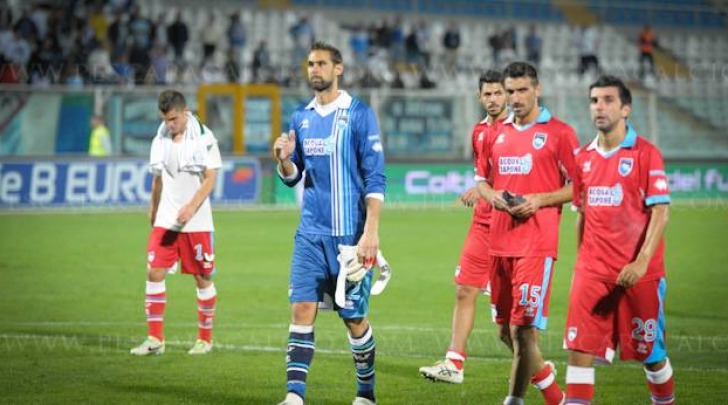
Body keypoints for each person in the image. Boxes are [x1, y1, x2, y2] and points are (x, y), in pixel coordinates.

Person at [273, 41, 386, 405]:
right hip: (310, 235)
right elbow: (294, 177)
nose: (314, 70)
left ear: (338, 69)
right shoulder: (300, 118)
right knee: (301, 309)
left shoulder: (359, 114)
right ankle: (294, 396)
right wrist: (284, 161)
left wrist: (370, 233)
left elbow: (375, 178)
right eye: (310, 64)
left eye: (321, 63)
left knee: (354, 320)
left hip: (350, 240)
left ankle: (366, 394)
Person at [564, 75, 674, 404]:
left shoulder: (646, 154)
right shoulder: (582, 157)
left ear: (626, 108)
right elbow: (581, 215)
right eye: (595, 100)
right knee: (579, 350)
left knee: (651, 354)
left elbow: (661, 212)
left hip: (638, 275)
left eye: (608, 100)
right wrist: (581, 265)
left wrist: (640, 263)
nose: (599, 106)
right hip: (592, 273)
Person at [476, 61, 579, 405]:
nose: (515, 97)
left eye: (522, 90)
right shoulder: (496, 132)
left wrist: (540, 200)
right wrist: (496, 199)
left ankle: (521, 400)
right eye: (510, 91)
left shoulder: (560, 133)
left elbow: (581, 186)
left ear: (538, 89)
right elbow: (484, 184)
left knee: (523, 329)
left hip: (536, 244)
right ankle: (555, 397)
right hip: (498, 243)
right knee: (505, 331)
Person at [419, 69, 508, 384]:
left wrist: (482, 189)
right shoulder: (479, 132)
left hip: (510, 228)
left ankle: (539, 372)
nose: (493, 99)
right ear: (479, 97)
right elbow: (483, 175)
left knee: (506, 324)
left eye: (499, 93)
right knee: (464, 290)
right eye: (488, 94)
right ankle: (454, 363)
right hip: (482, 224)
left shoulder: (516, 132)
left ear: (508, 95)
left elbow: (518, 178)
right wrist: (480, 189)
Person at [130, 90, 222, 356]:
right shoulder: (160, 138)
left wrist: (191, 207)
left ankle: (205, 339)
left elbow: (210, 179)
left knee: (202, 278)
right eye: (165, 119)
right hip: (167, 220)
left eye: (173, 119)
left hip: (197, 222)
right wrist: (153, 208)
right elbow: (157, 178)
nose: (169, 124)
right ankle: (155, 339)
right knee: (154, 271)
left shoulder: (205, 138)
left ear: (185, 112)